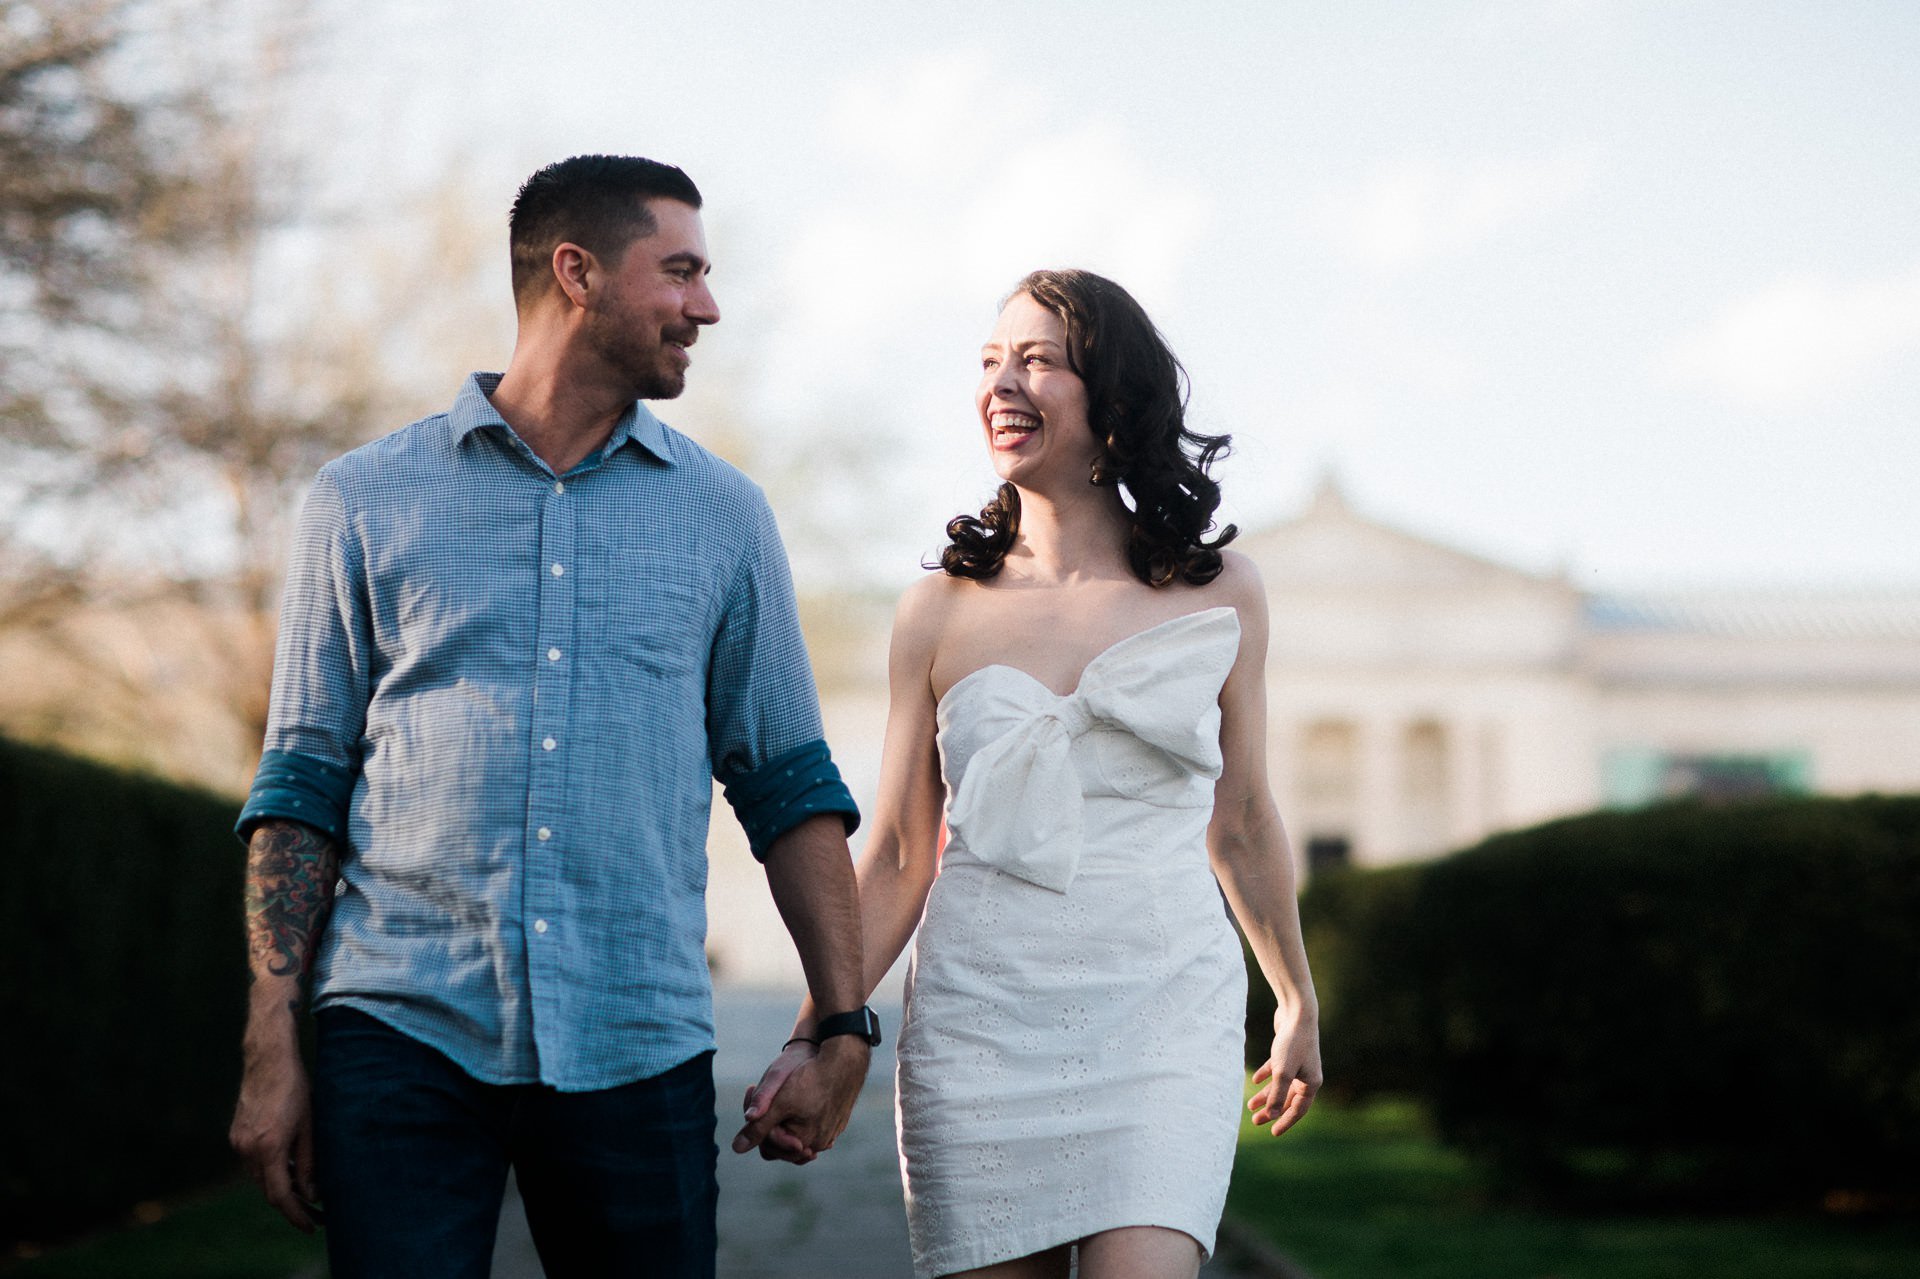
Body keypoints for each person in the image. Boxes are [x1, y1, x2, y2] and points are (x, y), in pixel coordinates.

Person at [226, 154, 878, 1279]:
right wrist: (271, 1031)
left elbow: (788, 782)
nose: (706, 306)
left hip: (639, 1038)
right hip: (401, 1032)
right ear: (575, 272)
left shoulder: (726, 518)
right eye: (678, 272)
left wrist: (843, 1022)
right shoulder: (361, 501)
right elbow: (301, 790)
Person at [736, 269, 1323, 1278]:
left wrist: (1296, 997)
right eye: (990, 360)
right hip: (981, 1022)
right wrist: (818, 1032)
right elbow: (899, 852)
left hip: (1164, 1013)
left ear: (1115, 396)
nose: (1003, 382)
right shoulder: (937, 609)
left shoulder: (1225, 592)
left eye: (1039, 359)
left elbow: (1243, 818)